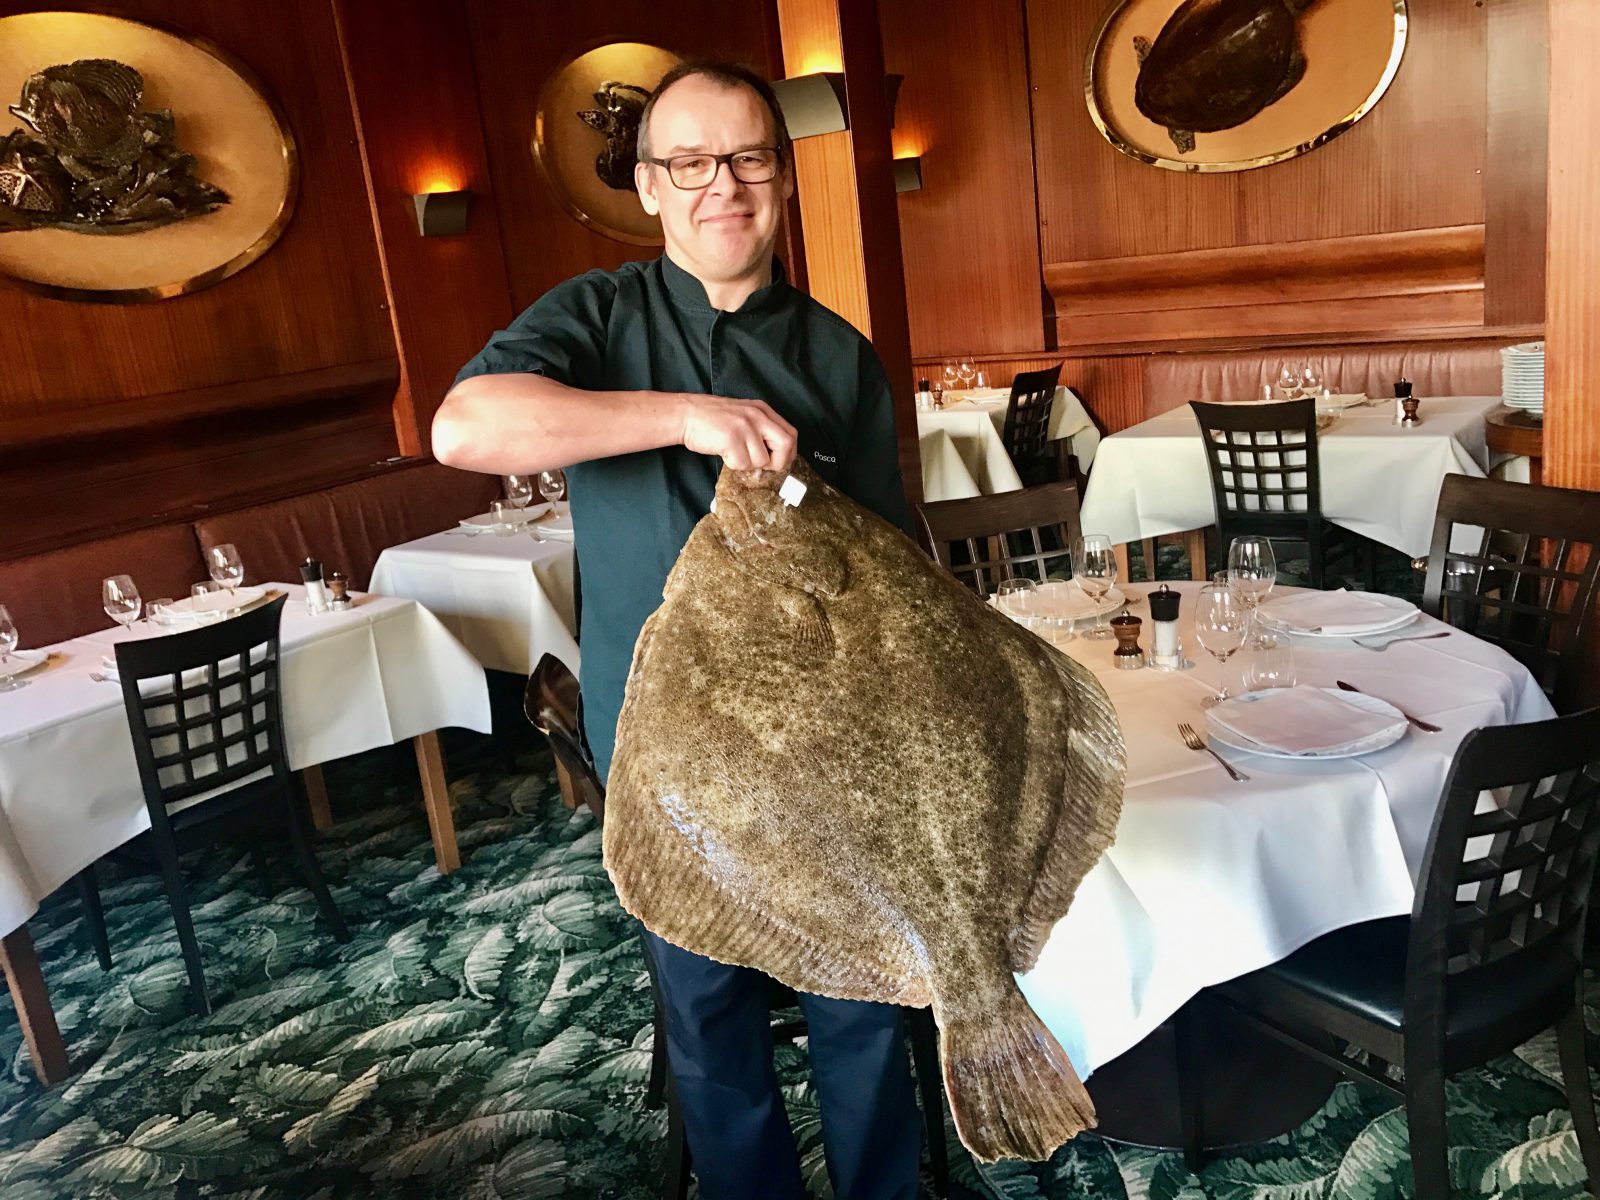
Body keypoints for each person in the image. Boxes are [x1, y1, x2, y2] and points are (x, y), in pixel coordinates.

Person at [433, 59, 923, 1200]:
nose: (724, 187)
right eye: (691, 163)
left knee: (862, 1002)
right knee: (710, 1020)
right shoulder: (596, 318)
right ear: (650, 187)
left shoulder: (839, 353)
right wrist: (683, 414)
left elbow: (894, 569)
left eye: (749, 158)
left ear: (783, 180)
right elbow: (462, 425)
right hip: (664, 749)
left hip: (826, 746)